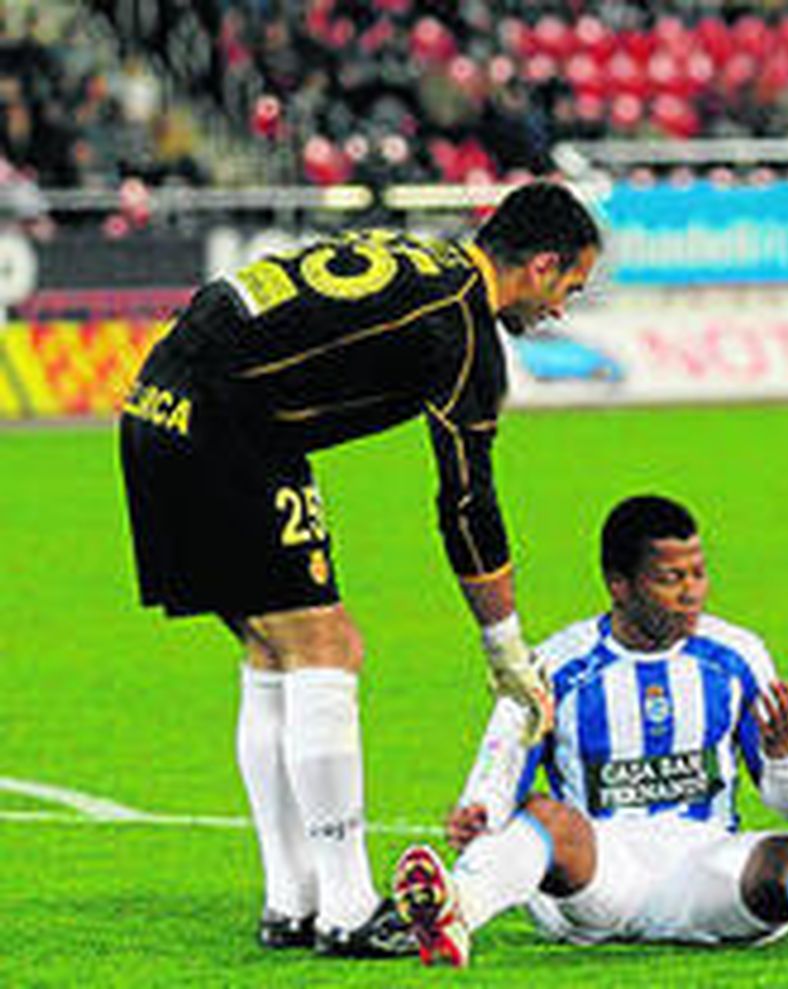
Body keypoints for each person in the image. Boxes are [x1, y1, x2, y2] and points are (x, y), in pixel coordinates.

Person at [118, 180, 601, 957]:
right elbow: (468, 503)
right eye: (569, 287)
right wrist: (504, 646)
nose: (562, 308)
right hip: (225, 426)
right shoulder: (464, 328)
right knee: (328, 648)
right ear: (541, 265)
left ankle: (292, 898)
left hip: (166, 403)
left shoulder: (425, 261)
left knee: (274, 649)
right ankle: (346, 909)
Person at [387, 495, 788, 966]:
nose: (691, 591)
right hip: (597, 878)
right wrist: (477, 814)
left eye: (698, 573)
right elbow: (492, 783)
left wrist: (782, 752)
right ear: (620, 584)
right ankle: (453, 912)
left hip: (704, 869)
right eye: (670, 578)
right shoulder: (553, 667)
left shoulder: (738, 654)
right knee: (545, 817)